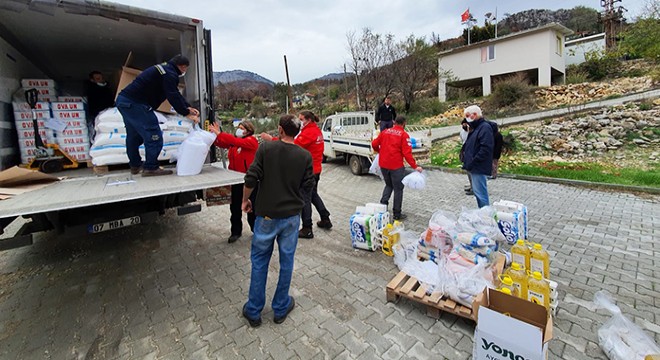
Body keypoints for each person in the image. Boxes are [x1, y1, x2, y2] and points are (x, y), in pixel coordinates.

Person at [241, 114, 315, 327]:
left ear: (281, 130)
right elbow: (308, 186)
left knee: (259, 261)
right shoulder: (304, 156)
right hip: (291, 218)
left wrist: (245, 201)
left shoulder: (266, 148)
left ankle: (254, 310)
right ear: (297, 132)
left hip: (266, 216)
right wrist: (297, 202)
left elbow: (251, 177)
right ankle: (280, 307)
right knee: (287, 261)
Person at [115, 55, 200, 176]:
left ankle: (135, 165)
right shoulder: (170, 74)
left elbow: (174, 93)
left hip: (125, 101)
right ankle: (150, 167)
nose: (185, 71)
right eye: (185, 68)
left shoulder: (164, 69)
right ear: (182, 67)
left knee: (134, 136)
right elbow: (172, 95)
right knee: (154, 135)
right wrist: (185, 113)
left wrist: (187, 107)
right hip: (136, 104)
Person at [260, 110, 332, 239]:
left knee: (305, 199)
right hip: (316, 168)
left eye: (301, 119)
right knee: (313, 195)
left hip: (309, 170)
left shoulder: (309, 133)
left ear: (308, 120)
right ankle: (325, 217)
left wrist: (271, 139)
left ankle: (307, 228)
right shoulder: (315, 131)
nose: (299, 122)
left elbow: (292, 145)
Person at [209, 120, 258, 243]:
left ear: (248, 130)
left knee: (252, 207)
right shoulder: (235, 144)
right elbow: (222, 143)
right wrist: (214, 135)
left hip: (249, 181)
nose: (239, 130)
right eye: (239, 127)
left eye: (242, 128)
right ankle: (235, 231)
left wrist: (220, 133)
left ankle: (256, 230)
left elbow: (234, 141)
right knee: (235, 207)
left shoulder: (251, 141)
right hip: (235, 180)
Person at [371, 116, 423, 221]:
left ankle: (383, 207)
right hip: (396, 166)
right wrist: (415, 166)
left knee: (388, 185)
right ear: (404, 123)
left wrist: (379, 151)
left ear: (394, 122)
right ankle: (397, 214)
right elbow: (407, 153)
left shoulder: (385, 132)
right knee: (398, 189)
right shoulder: (404, 135)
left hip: (384, 165)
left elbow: (374, 144)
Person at [461, 105, 494, 208]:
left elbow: (485, 149)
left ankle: (485, 217)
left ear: (474, 115)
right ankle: (483, 214)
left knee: (481, 194)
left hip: (479, 167)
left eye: (467, 116)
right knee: (478, 193)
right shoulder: (476, 128)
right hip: (475, 166)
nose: (466, 118)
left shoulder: (484, 128)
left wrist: (473, 161)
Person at [459, 118, 473, 195]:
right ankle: (471, 185)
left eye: (465, 124)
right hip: (465, 150)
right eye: (462, 124)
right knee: (468, 170)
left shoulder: (472, 132)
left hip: (471, 152)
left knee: (472, 171)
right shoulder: (462, 132)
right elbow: (462, 140)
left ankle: (474, 187)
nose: (464, 126)